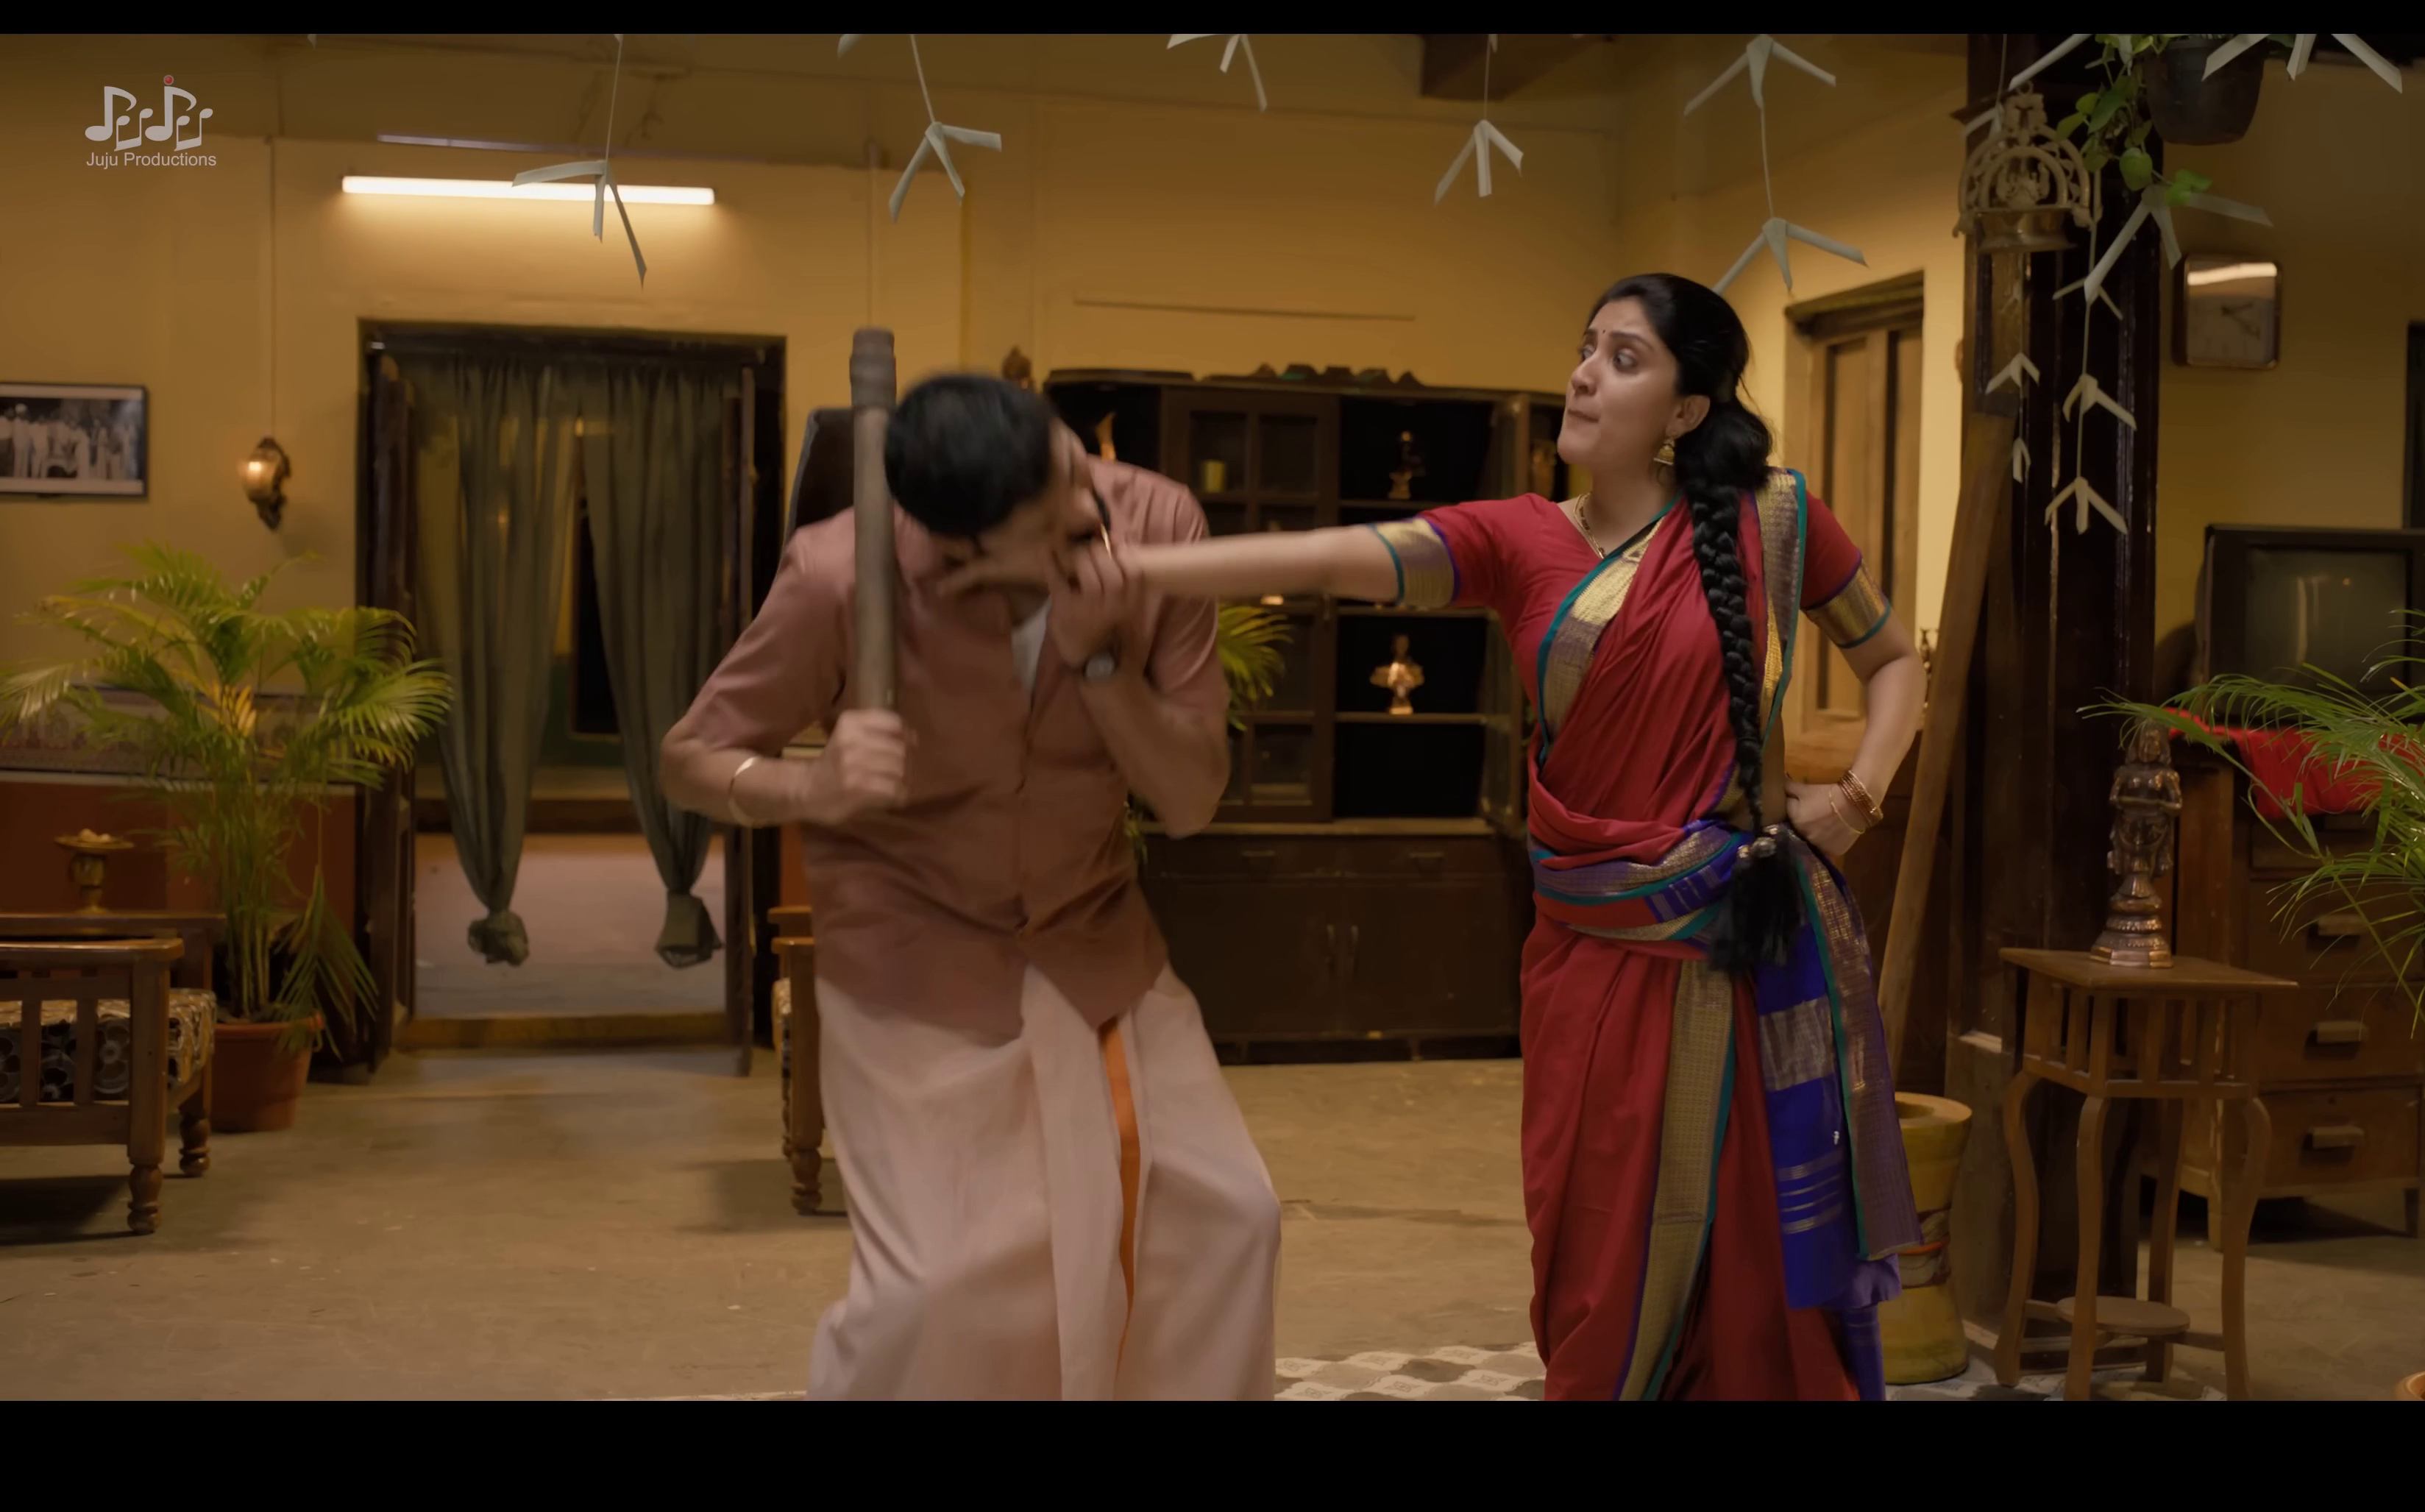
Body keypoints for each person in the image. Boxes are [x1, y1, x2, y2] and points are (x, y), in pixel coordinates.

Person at [1118, 274, 1928, 1400]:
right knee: (1593, 1269)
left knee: (1746, 1279)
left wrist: (1859, 798)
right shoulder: (1520, 539)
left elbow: (1896, 662)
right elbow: (1327, 559)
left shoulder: (1774, 519)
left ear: (1686, 410)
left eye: (1625, 358)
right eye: (1587, 347)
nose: (1585, 375)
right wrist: (1137, 571)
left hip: (1734, 957)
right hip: (1584, 958)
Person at [660, 374, 1281, 1401]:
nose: (1090, 506)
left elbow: (1191, 800)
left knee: (1230, 1224)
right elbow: (691, 758)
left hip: (1091, 940)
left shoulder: (1156, 524)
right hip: (913, 959)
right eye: (1053, 515)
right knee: (938, 1296)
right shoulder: (838, 575)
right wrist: (810, 786)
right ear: (963, 549)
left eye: (1075, 467)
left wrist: (1098, 665)